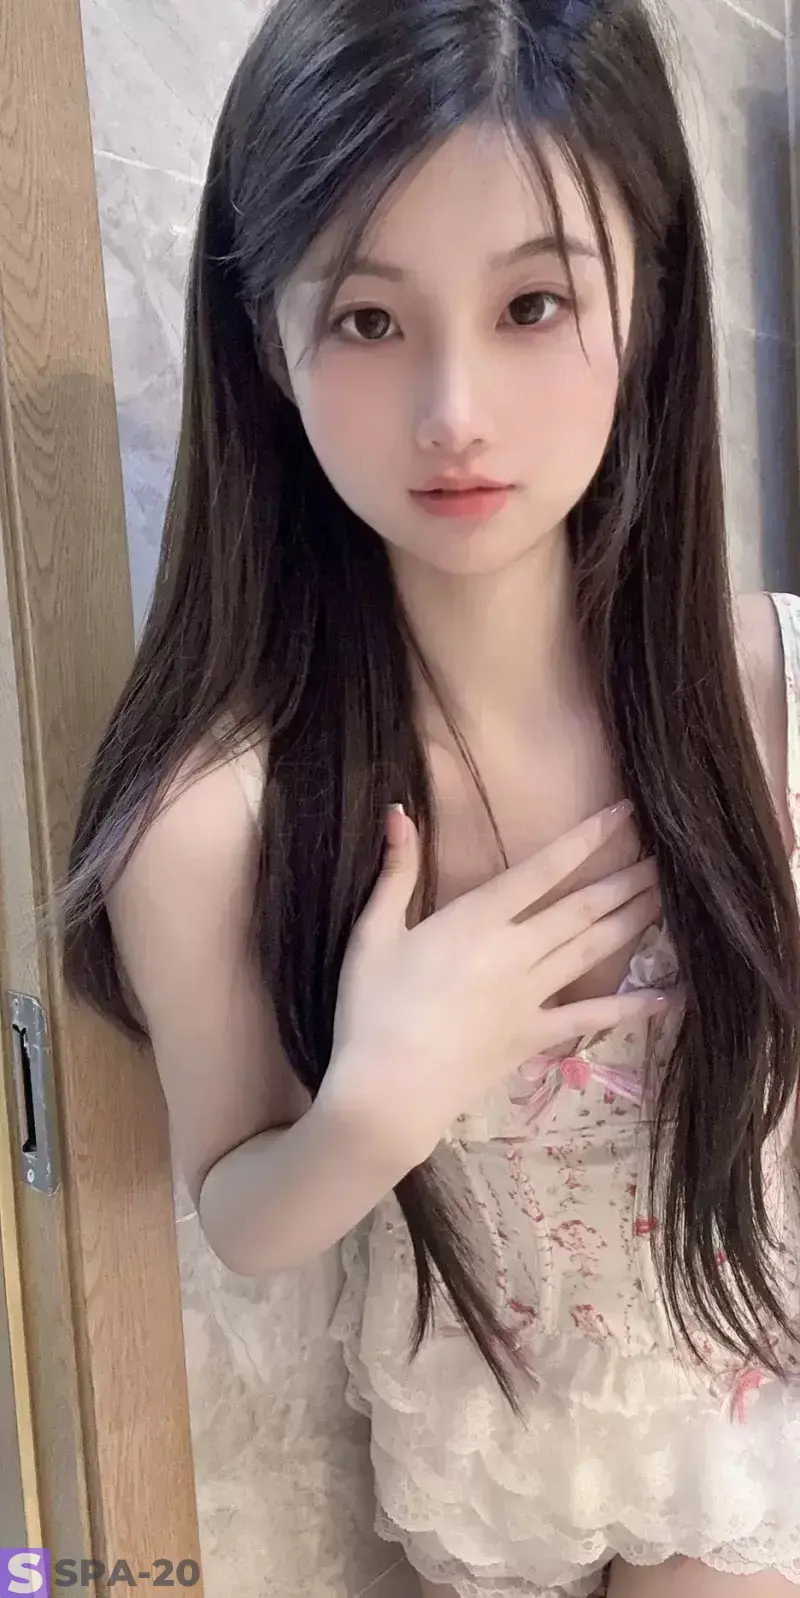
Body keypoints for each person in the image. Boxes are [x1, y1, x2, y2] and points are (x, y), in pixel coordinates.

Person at [60, 0, 800, 1592]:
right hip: (489, 1491)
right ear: (268, 343)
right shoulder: (217, 818)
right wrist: (376, 1105)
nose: (454, 410)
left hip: (762, 1410)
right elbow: (240, 1205)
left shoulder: (774, 696)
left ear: (648, 303)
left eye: (533, 302)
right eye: (370, 319)